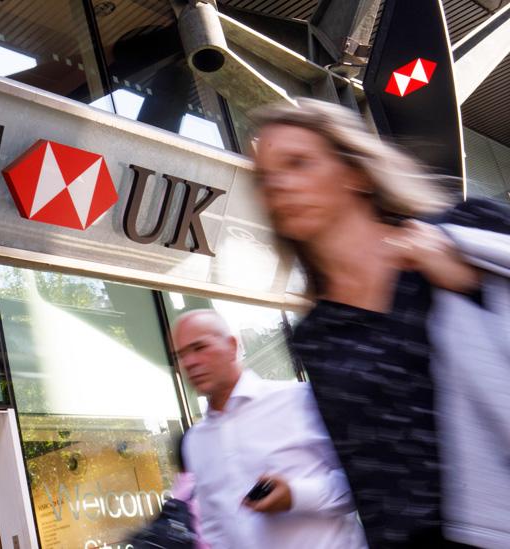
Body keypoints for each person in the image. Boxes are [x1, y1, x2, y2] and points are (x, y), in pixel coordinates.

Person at [250, 98, 510, 547]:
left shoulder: (466, 232)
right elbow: (369, 482)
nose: (279, 186)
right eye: (266, 179)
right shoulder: (318, 334)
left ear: (355, 173)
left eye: (298, 163)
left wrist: (469, 283)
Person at [174, 309, 366, 549]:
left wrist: (295, 495)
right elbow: (214, 529)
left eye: (199, 347)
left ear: (232, 346)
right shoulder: (195, 441)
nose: (189, 362)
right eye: (180, 355)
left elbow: (362, 484)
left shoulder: (300, 400)